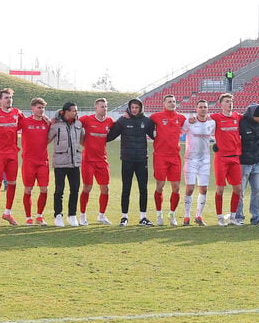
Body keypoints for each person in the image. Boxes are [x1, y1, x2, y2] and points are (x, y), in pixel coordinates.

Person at [107, 98, 155, 226]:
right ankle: (124, 217)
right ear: (129, 108)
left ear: (140, 108)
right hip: (127, 159)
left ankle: (143, 217)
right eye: (132, 107)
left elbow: (156, 135)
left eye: (136, 108)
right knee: (126, 188)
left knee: (143, 188)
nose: (134, 110)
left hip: (141, 159)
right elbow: (110, 136)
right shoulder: (123, 120)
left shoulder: (147, 121)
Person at [0, 88, 23, 226]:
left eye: (10, 97)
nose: (9, 100)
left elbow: (25, 123)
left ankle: (7, 213)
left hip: (12, 153)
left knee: (12, 184)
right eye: (6, 97)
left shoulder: (17, 112)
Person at [149, 94, 186, 226]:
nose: (172, 103)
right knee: (160, 186)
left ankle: (172, 214)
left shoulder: (181, 118)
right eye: (169, 101)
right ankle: (159, 214)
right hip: (160, 156)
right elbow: (143, 122)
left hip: (175, 156)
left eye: (174, 101)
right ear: (163, 104)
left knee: (176, 188)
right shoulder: (156, 117)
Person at [77, 98, 115, 225]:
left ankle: (101, 216)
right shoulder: (86, 119)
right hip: (87, 160)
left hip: (102, 160)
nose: (104, 109)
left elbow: (119, 127)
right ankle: (82, 215)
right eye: (102, 106)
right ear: (96, 108)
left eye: (106, 106)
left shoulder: (109, 121)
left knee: (105, 189)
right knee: (87, 187)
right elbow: (73, 124)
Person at [210, 93, 243, 226]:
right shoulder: (216, 117)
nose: (230, 103)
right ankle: (219, 217)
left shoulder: (237, 116)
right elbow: (202, 118)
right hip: (221, 158)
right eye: (227, 101)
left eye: (231, 101)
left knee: (238, 189)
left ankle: (233, 217)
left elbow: (252, 116)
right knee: (220, 189)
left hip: (235, 157)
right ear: (221, 104)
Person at [181, 100, 215, 226]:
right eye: (200, 107)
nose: (203, 109)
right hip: (190, 160)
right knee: (189, 189)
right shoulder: (189, 122)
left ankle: (199, 216)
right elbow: (179, 132)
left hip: (205, 161)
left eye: (205, 107)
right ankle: (186, 216)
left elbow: (218, 136)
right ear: (196, 109)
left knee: (204, 189)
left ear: (207, 109)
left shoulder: (212, 123)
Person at [18, 97, 52, 225]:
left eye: (43, 108)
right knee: (28, 189)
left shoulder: (47, 123)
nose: (41, 110)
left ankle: (39, 216)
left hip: (43, 161)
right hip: (28, 162)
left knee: (44, 189)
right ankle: (28, 218)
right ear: (32, 108)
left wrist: (49, 121)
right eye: (39, 107)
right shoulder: (25, 122)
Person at [49, 102, 84, 227]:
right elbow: (47, 139)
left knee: (75, 189)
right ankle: (58, 215)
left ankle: (72, 215)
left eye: (76, 110)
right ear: (66, 111)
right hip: (60, 162)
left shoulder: (79, 124)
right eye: (74, 111)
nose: (76, 113)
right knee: (59, 190)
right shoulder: (56, 124)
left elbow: (83, 140)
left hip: (75, 163)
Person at [237, 103, 259, 225]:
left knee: (256, 190)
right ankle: (239, 216)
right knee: (240, 191)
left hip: (257, 162)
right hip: (244, 162)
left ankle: (256, 217)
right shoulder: (242, 124)